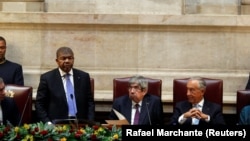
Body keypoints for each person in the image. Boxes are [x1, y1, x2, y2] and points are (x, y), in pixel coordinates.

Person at [35, 47, 95, 124]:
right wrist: (48, 123)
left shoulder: (84, 76)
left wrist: (90, 122)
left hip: (81, 123)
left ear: (73, 59)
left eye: (70, 58)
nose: (67, 61)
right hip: (56, 124)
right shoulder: (47, 78)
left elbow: (90, 102)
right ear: (57, 61)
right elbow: (39, 104)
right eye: (63, 58)